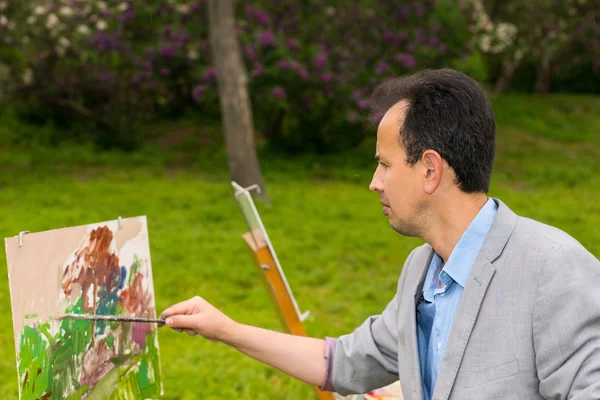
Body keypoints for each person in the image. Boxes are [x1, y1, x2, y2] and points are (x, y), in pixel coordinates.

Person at [160, 69, 600, 400]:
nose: (374, 181)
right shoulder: (420, 271)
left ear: (430, 169)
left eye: (385, 165)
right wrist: (226, 330)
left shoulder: (554, 269)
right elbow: (346, 362)